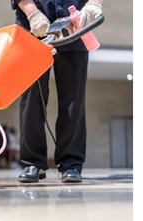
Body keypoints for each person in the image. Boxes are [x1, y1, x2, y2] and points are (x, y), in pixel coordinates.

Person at [10, 0, 104, 182]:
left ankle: (71, 164)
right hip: (33, 27)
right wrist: (32, 13)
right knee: (31, 97)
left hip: (74, 26)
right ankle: (33, 162)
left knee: (73, 99)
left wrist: (93, 4)